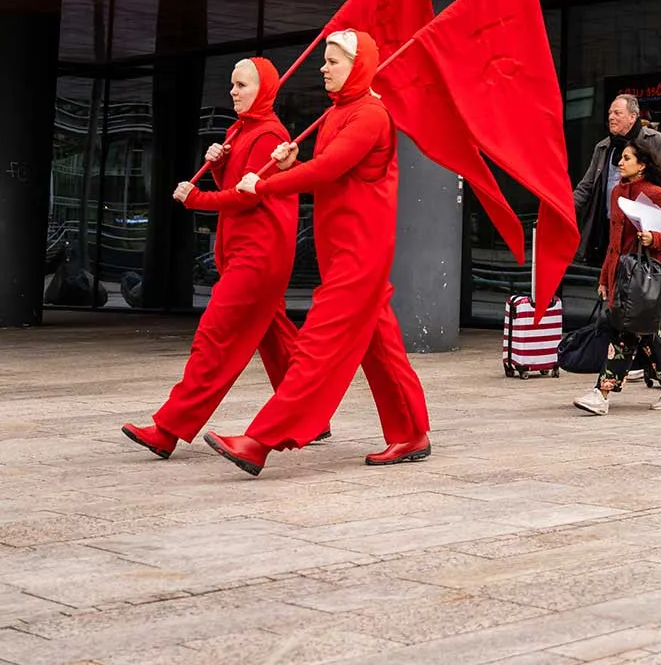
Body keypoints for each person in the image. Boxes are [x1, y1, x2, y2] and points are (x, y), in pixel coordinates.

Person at [205, 31, 431, 475]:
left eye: (333, 61)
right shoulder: (339, 114)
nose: (323, 68)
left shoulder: (369, 115)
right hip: (343, 252)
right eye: (324, 60)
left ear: (358, 65)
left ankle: (260, 440)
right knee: (380, 346)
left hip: (359, 256)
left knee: (316, 346)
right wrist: (291, 165)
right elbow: (331, 173)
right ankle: (410, 433)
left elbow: (328, 168)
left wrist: (265, 183)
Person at [122, 58, 306, 459]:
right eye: (232, 85)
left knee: (214, 339)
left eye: (241, 85)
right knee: (277, 342)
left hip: (257, 257)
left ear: (263, 90)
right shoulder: (241, 132)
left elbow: (248, 197)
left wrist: (197, 198)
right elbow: (239, 185)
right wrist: (220, 168)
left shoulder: (267, 135)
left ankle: (168, 429)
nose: (233, 92)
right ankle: (309, 415)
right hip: (246, 253)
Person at [574, 142, 661, 415]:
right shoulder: (616, 193)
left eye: (626, 158)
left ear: (642, 164)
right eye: (620, 158)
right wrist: (605, 278)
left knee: (625, 333)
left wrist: (653, 238)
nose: (620, 163)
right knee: (646, 332)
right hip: (619, 274)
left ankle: (601, 394)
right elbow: (614, 244)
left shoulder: (656, 193)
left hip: (640, 276)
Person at [572, 95, 661, 272]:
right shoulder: (604, 147)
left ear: (633, 116)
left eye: (617, 113)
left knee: (636, 284)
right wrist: (564, 212)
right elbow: (586, 187)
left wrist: (656, 227)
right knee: (609, 281)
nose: (611, 117)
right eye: (609, 113)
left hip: (639, 232)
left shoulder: (654, 140)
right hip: (608, 226)